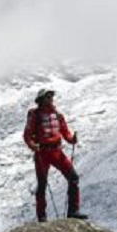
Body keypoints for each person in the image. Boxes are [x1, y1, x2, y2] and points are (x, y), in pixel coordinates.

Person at [23, 89, 87, 220]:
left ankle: (73, 211)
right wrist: (33, 146)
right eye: (48, 96)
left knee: (73, 177)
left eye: (51, 96)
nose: (51, 98)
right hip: (42, 152)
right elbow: (27, 135)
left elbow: (65, 132)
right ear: (41, 99)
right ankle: (42, 217)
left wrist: (72, 140)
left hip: (56, 152)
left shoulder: (58, 115)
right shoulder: (35, 115)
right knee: (42, 185)